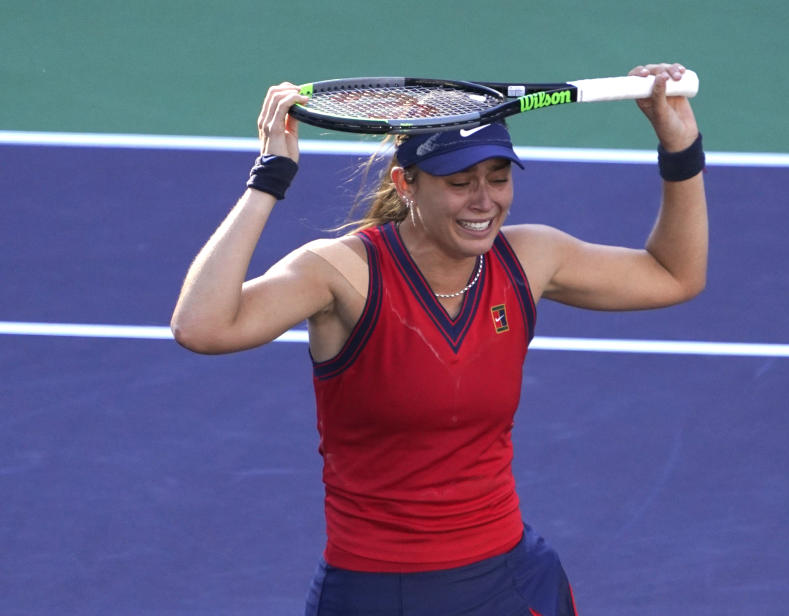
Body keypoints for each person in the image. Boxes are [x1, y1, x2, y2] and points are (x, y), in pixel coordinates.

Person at [171, 62, 707, 616]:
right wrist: (270, 178)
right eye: (460, 183)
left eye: (498, 178)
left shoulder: (530, 258)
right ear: (407, 184)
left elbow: (675, 275)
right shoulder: (341, 274)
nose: (484, 202)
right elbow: (202, 326)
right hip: (382, 594)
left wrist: (681, 147)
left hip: (511, 577)